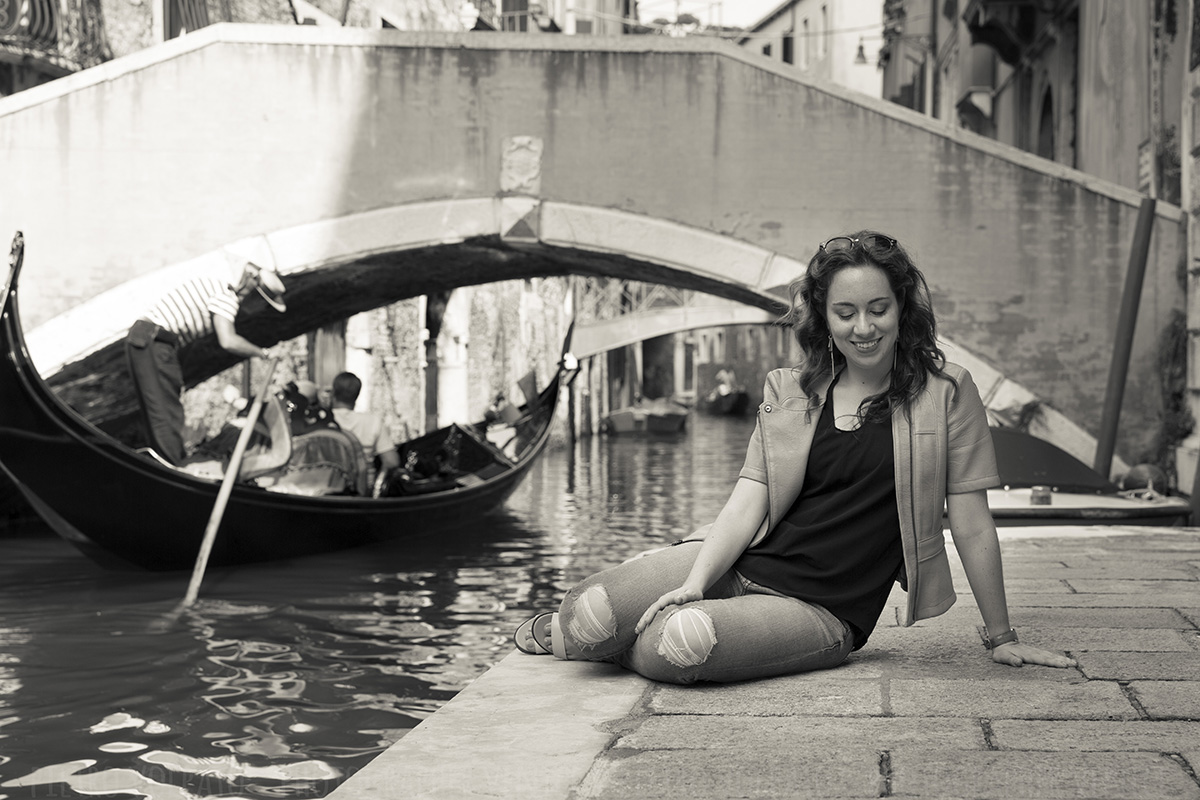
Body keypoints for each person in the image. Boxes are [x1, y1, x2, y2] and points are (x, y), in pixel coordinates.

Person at [514, 231, 1076, 684]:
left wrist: (1003, 637)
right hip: (744, 564)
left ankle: (621, 648)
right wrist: (698, 580)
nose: (864, 327)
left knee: (677, 644)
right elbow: (747, 501)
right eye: (846, 312)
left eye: (878, 309)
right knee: (589, 614)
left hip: (821, 609)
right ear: (825, 319)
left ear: (902, 308)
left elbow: (974, 524)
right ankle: (602, 639)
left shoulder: (947, 391)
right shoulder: (791, 389)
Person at [125, 259, 287, 466]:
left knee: (158, 411)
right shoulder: (227, 298)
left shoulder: (217, 288)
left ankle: (163, 462)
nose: (261, 309)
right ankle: (176, 468)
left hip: (143, 339)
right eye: (264, 303)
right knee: (166, 414)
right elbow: (228, 341)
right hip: (154, 343)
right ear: (254, 293)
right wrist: (263, 353)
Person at [330, 371, 401, 482]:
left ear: (333, 392)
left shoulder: (322, 420)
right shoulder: (373, 421)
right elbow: (391, 462)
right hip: (362, 490)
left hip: (326, 487)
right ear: (357, 395)